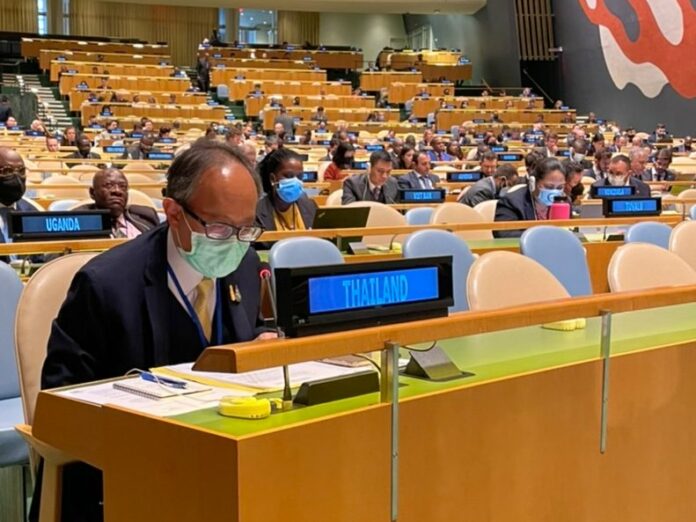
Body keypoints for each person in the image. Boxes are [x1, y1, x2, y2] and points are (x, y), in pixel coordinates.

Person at [36, 140, 274, 521]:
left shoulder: (245, 263)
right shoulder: (105, 284)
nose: (232, 243)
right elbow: (62, 403)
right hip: (127, 475)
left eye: (245, 229)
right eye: (217, 227)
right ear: (173, 212)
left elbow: (254, 333)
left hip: (223, 461)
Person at [494, 157, 567, 238]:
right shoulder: (511, 202)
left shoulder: (563, 203)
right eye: (549, 187)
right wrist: (544, 236)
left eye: (560, 187)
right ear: (533, 183)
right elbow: (503, 235)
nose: (554, 192)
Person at [75, 168, 159, 238]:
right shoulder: (78, 220)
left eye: (122, 186)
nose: (117, 191)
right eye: (108, 185)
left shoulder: (147, 216)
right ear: (92, 193)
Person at [254, 148, 317, 236]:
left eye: (300, 176)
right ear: (273, 178)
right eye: (289, 176)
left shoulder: (310, 206)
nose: (295, 181)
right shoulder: (256, 213)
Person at [0, 148, 36, 261]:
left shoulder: (32, 213)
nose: (17, 178)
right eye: (7, 171)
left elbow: (39, 258)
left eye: (21, 171)